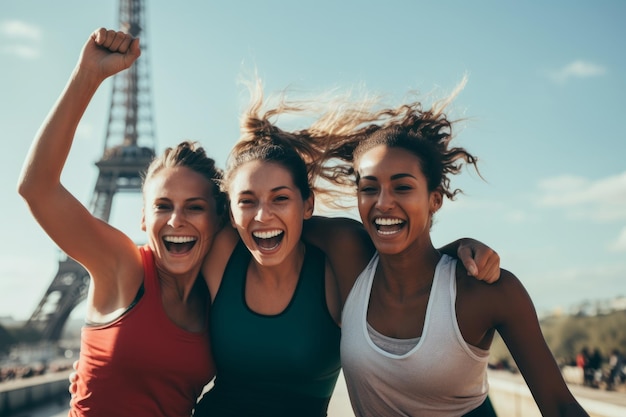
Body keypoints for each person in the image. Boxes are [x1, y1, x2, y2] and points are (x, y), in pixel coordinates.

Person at [192, 82, 502, 417]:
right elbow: (161, 255)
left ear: (307, 204)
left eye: (280, 198)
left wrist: (460, 248)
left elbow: (411, 266)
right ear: (233, 212)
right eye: (247, 201)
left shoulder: (341, 250)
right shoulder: (224, 246)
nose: (263, 214)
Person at [315, 80, 590, 416]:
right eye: (369, 189)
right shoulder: (347, 252)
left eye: (402, 187)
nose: (383, 203)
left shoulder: (487, 290)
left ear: (434, 200)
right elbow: (270, 220)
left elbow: (561, 407)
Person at [18, 28, 222, 417]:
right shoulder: (125, 268)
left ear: (217, 218)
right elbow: (37, 188)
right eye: (163, 206)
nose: (176, 220)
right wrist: (87, 75)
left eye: (194, 207)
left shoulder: (215, 294)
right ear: (144, 218)